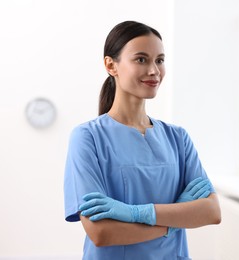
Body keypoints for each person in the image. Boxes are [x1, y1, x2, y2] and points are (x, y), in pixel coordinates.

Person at [63, 21, 221, 260]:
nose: (154, 70)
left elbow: (211, 211)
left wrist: (134, 213)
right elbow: (101, 232)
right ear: (111, 65)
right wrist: (176, 219)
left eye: (159, 60)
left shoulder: (177, 137)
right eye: (141, 59)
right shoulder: (88, 137)